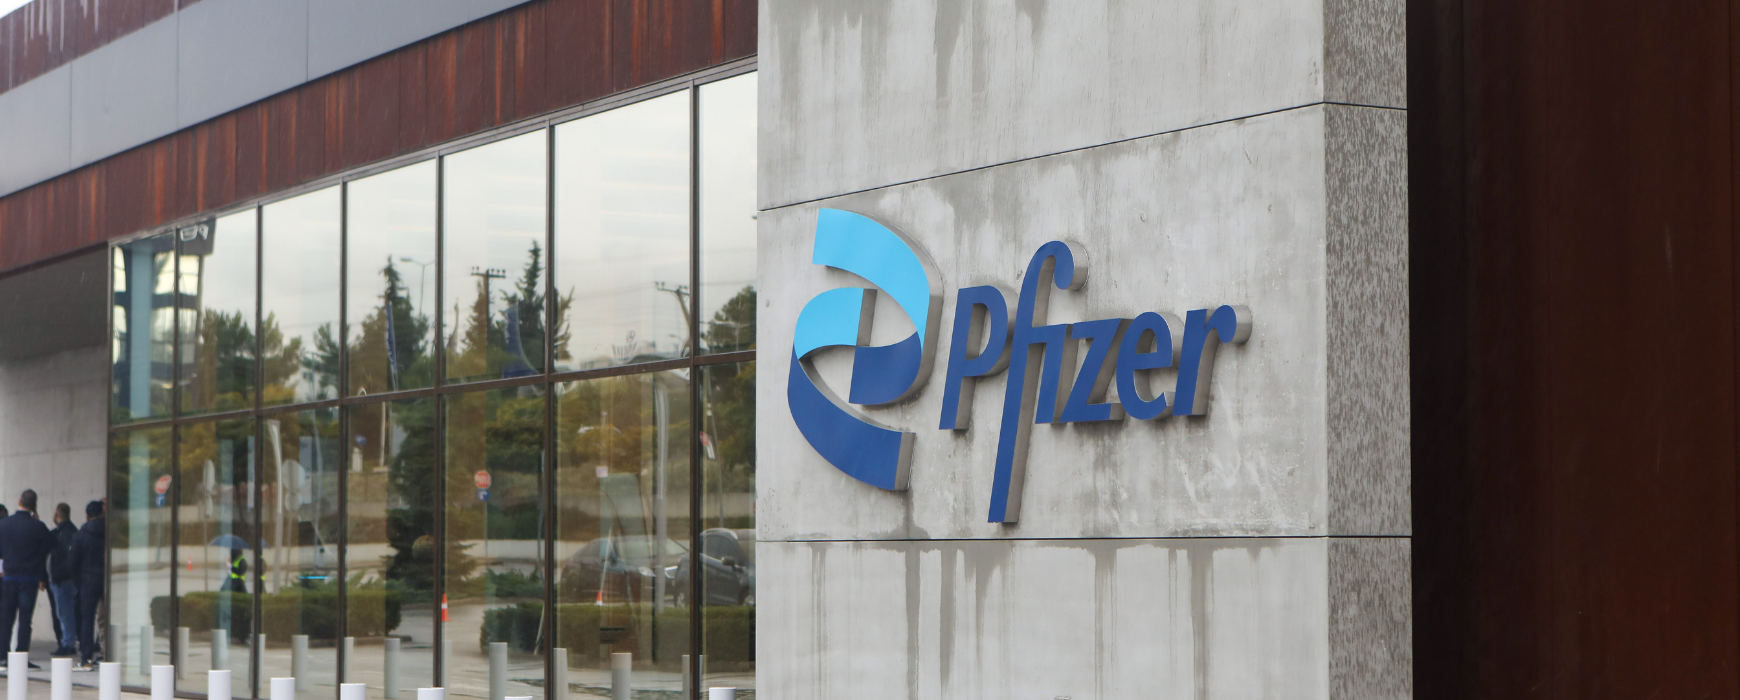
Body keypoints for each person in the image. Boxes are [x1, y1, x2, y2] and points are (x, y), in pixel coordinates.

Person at [0, 490, 50, 669]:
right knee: (25, 619)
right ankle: (21, 656)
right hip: (29, 578)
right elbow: (47, 548)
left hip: (9, 577)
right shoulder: (38, 526)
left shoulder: (4, 524)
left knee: (6, 618)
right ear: (34, 505)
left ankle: (2, 656)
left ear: (19, 501)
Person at [67, 501, 103, 670]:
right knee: (107, 619)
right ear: (102, 513)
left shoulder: (80, 535)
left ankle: (86, 658)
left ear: (87, 516)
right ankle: (108, 654)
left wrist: (78, 581)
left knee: (87, 620)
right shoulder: (109, 532)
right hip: (107, 581)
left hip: (87, 581)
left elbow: (72, 562)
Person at [46, 503, 78, 657]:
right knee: (69, 612)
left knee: (64, 614)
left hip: (61, 580)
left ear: (57, 515)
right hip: (70, 579)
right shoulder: (74, 531)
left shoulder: (58, 534)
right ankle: (69, 641)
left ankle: (67, 643)